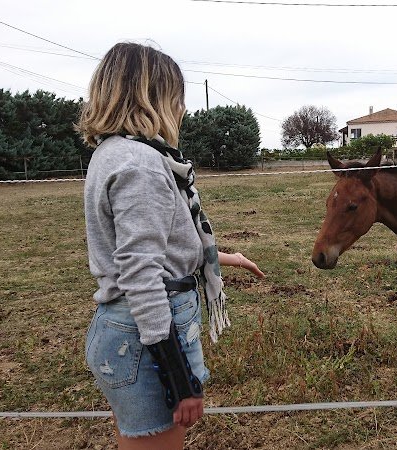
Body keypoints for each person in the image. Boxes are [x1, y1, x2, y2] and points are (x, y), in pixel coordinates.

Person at [77, 42, 264, 449]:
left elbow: (150, 246)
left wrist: (222, 258)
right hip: (147, 339)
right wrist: (179, 380)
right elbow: (142, 276)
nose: (181, 109)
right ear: (155, 97)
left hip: (128, 329)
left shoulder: (114, 154)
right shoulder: (140, 165)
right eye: (177, 97)